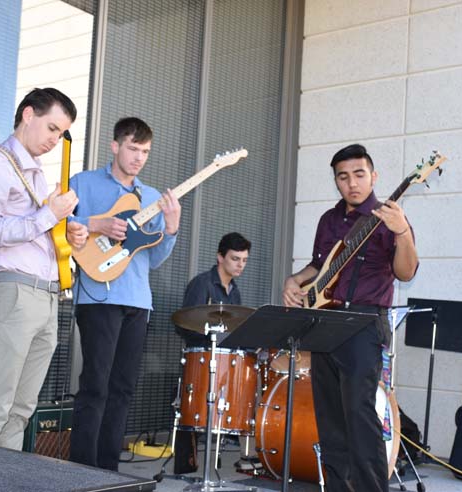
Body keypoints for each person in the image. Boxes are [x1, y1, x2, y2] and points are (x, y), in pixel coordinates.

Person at [281, 144, 418, 492]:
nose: (352, 183)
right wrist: (294, 280)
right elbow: (319, 266)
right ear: (336, 181)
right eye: (343, 177)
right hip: (324, 322)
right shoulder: (329, 220)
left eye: (359, 174)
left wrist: (402, 232)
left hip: (363, 323)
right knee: (329, 420)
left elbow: (406, 271)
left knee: (359, 415)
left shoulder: (389, 218)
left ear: (374, 176)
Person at [0, 87, 86, 450]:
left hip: (47, 299)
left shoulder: (35, 175)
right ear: (28, 114)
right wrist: (49, 215)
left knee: (20, 411)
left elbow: (37, 230)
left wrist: (67, 233)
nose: (55, 139)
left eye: (61, 133)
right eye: (52, 128)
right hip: (13, 295)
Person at [68, 117, 181, 471]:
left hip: (137, 301)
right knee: (95, 386)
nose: (138, 158)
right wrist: (94, 224)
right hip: (98, 297)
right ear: (115, 146)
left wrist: (172, 229)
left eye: (145, 152)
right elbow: (56, 229)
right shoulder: (82, 184)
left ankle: (108, 470)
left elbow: (155, 258)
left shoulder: (150, 198)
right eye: (133, 148)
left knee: (122, 389)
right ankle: (80, 469)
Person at [173, 232, 254, 474]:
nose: (240, 265)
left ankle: (248, 454)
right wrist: (213, 338)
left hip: (225, 359)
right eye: (235, 259)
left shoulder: (235, 291)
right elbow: (184, 324)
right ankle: (188, 461)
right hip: (202, 358)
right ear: (220, 257)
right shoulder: (202, 284)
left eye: (244, 260)